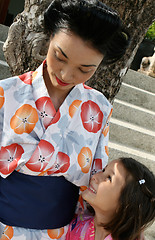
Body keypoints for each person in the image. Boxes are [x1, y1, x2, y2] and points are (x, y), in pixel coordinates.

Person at [0, 0, 130, 239]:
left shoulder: (99, 108)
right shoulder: (5, 95)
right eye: (60, 56)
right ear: (50, 37)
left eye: (85, 69)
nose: (66, 74)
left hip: (63, 233)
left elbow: (96, 177)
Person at [66, 157, 155, 240]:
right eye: (104, 170)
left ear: (126, 204)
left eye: (109, 178)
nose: (95, 176)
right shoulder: (79, 223)